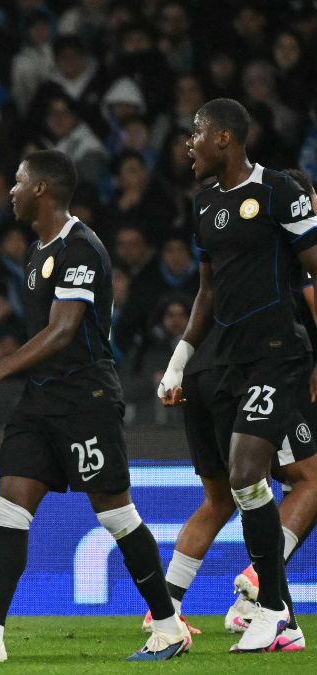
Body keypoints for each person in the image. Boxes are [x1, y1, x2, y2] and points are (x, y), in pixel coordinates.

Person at [0, 150, 190, 663]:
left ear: (43, 189)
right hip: (39, 403)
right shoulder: (36, 250)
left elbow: (64, 329)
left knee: (115, 515)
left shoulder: (81, 248)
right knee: (9, 507)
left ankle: (169, 625)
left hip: (85, 399)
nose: (11, 190)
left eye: (19, 182)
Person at [158, 98, 317, 653]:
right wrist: (179, 361)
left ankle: (271, 610)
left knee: (249, 474)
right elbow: (206, 291)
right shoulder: (204, 203)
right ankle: (283, 620)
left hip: (277, 355)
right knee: (240, 483)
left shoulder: (282, 192)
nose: (188, 144)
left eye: (195, 133)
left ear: (224, 137)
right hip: (226, 363)